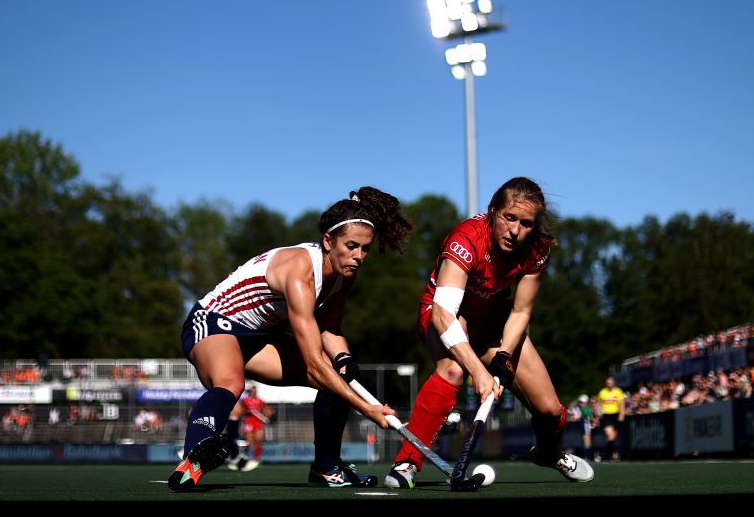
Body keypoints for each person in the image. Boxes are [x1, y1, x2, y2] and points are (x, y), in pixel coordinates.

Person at [168, 187, 413, 492]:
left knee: (337, 378)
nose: (358, 256)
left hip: (258, 337)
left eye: (365, 249)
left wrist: (344, 359)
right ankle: (194, 457)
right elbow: (313, 364)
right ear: (328, 241)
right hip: (214, 323)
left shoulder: (344, 274)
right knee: (231, 383)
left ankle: (326, 468)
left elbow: (331, 329)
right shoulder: (300, 273)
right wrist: (367, 408)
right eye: (351, 246)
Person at [383, 177, 594, 489]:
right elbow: (443, 315)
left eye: (525, 223)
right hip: (446, 314)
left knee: (551, 411)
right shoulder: (466, 239)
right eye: (509, 217)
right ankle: (406, 463)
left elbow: (521, 311)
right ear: (493, 211)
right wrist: (479, 373)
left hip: (495, 323)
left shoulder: (536, 249)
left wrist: (505, 357)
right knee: (454, 369)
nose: (515, 230)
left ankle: (549, 454)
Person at [237, 384, 273, 470]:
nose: (254, 391)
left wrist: (268, 415)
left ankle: (256, 459)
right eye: (252, 390)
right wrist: (247, 411)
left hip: (258, 423)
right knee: (249, 443)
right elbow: (241, 412)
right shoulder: (246, 400)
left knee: (258, 441)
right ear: (250, 391)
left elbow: (267, 410)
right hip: (249, 423)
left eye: (255, 390)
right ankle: (243, 457)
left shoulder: (260, 401)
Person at [596, 374, 626, 461]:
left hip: (615, 415)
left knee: (613, 437)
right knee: (611, 435)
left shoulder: (618, 391)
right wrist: (598, 413)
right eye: (607, 382)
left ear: (614, 383)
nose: (609, 384)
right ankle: (609, 453)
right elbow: (598, 403)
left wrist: (621, 415)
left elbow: (622, 403)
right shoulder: (602, 392)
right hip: (606, 416)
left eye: (610, 382)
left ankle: (610, 454)